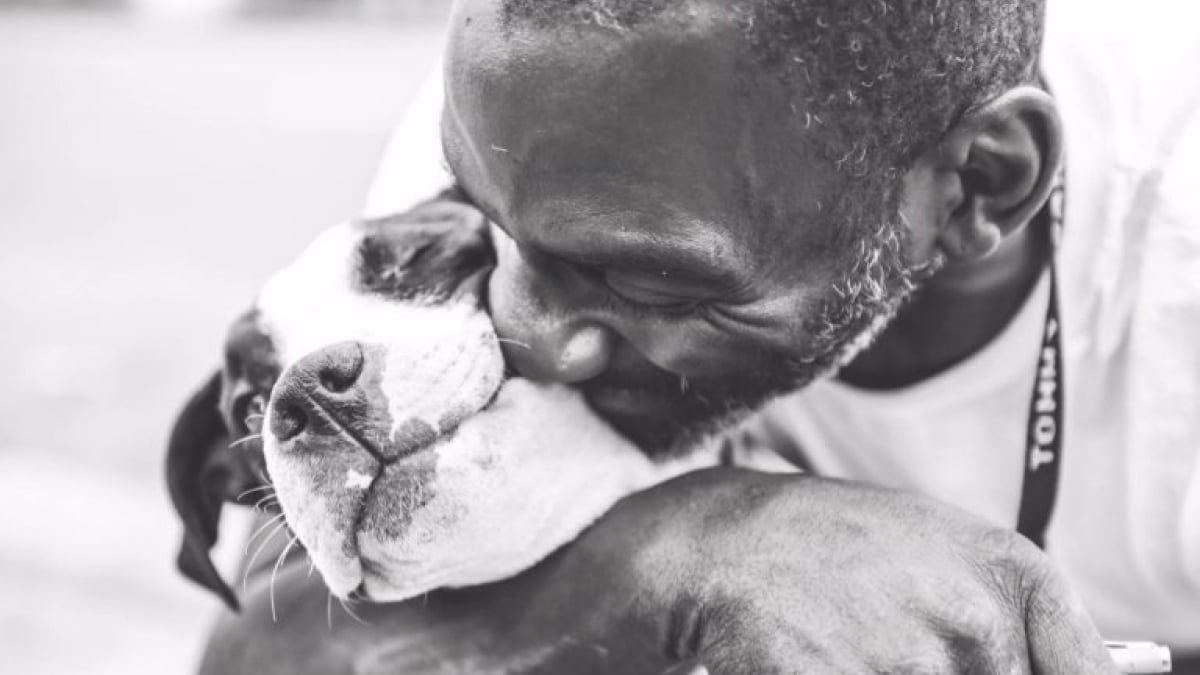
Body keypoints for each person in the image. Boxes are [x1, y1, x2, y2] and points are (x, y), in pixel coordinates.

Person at [198, 0, 1199, 672]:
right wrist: (698, 553)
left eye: (643, 272)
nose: (523, 330)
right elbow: (260, 635)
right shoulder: (534, 113)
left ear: (981, 184)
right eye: (483, 226)